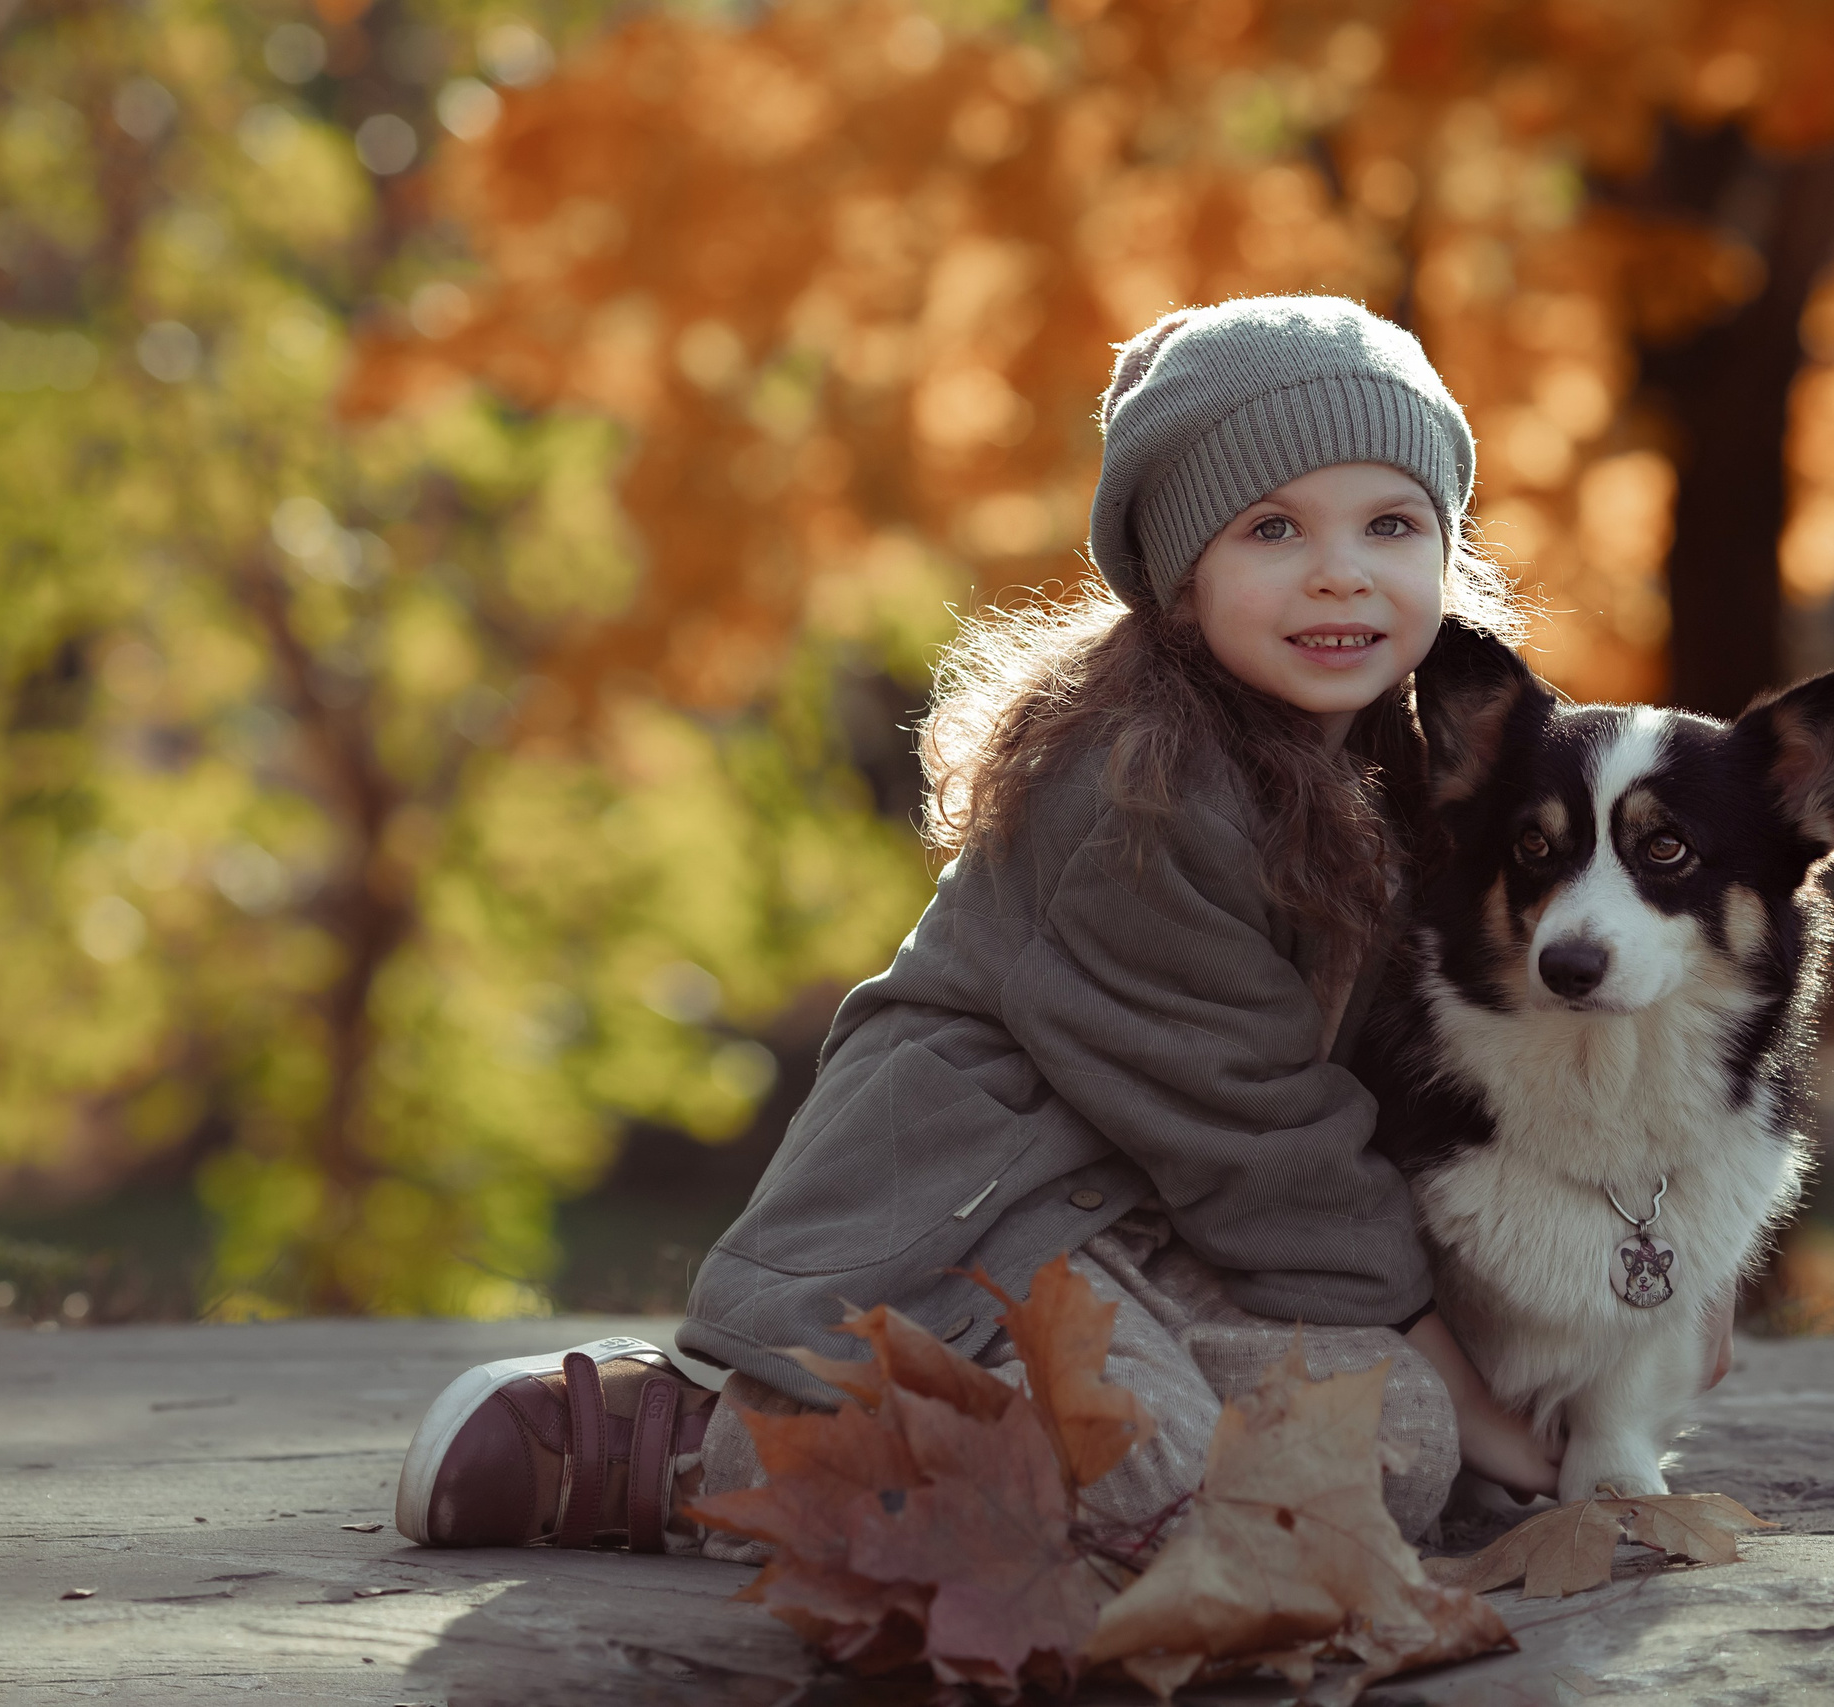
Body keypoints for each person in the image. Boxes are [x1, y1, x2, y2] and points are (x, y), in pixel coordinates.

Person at [391, 294, 1567, 1559]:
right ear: (1180, 582)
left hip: (1172, 1235)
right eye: (1272, 528)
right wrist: (1469, 1384)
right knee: (1157, 1499)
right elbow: (1256, 1130)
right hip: (985, 1235)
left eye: (1391, 524)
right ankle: (694, 1444)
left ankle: (1026, 1449)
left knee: (1392, 1449)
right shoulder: (1133, 794)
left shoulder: (1419, 765)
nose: (1340, 570)